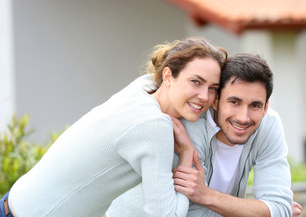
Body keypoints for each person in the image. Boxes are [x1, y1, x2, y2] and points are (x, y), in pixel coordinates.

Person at [0, 37, 227, 217]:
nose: (204, 96)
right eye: (195, 82)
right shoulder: (153, 125)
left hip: (14, 202)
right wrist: (187, 154)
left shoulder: (145, 87)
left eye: (213, 88)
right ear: (168, 76)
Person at [106, 53, 300, 217]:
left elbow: (280, 207)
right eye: (234, 102)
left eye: (255, 105)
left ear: (266, 107)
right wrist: (257, 211)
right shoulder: (185, 125)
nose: (243, 117)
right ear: (215, 101)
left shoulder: (269, 126)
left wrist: (206, 195)